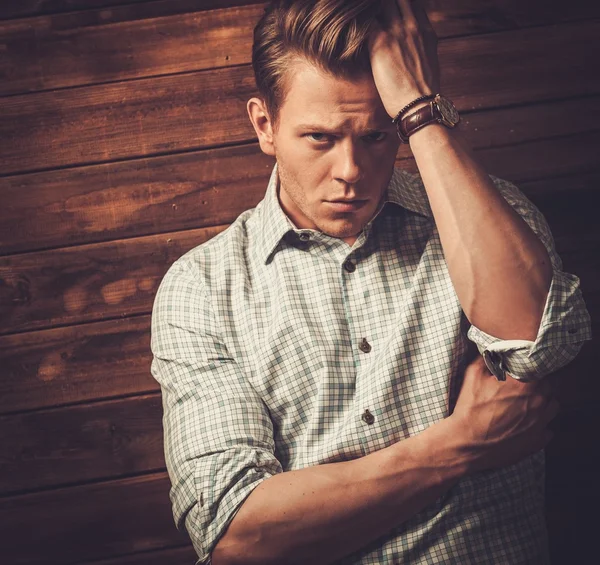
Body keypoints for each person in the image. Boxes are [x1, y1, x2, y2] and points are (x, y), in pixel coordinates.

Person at [150, 0, 592, 563]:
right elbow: (237, 537)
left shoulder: (492, 215)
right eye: (320, 138)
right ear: (265, 125)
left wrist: (422, 113)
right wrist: (460, 445)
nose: (351, 170)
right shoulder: (202, 291)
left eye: (379, 136)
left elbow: (538, 343)